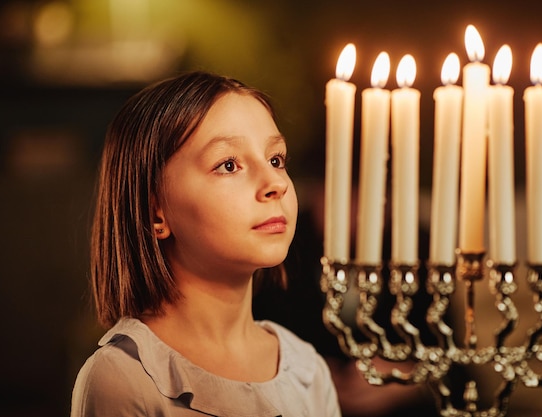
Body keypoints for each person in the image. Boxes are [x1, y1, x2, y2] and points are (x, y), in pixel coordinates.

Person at [70, 71, 341, 417]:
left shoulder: (306, 369)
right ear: (155, 212)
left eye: (276, 159)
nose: (275, 183)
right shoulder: (124, 380)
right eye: (229, 165)